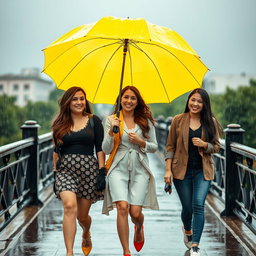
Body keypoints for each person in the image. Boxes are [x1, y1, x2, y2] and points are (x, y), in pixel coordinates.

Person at [164, 88, 222, 256]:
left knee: (198, 205)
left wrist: (205, 145)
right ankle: (187, 230)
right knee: (187, 208)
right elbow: (170, 147)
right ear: (188, 101)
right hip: (181, 171)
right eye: (193, 100)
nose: (195, 104)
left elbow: (217, 146)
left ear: (204, 105)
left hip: (202, 171)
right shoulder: (178, 120)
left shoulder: (210, 122)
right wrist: (168, 170)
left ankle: (195, 244)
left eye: (199, 101)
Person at [102, 86, 159, 256]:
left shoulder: (145, 121)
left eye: (133, 98)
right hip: (118, 167)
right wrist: (112, 132)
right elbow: (105, 149)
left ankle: (139, 225)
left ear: (137, 101)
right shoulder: (111, 120)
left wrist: (142, 142)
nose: (129, 101)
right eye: (125, 97)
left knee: (135, 212)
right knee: (122, 207)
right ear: (120, 99)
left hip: (139, 167)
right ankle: (126, 251)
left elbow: (155, 147)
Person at [52, 86, 105, 256]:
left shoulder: (94, 120)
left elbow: (100, 149)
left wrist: (102, 171)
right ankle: (69, 252)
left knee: (82, 217)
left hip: (88, 171)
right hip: (65, 170)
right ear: (68, 102)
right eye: (75, 99)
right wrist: (55, 174)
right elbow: (56, 151)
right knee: (69, 206)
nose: (79, 102)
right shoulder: (59, 124)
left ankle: (86, 232)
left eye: (82, 98)